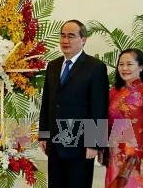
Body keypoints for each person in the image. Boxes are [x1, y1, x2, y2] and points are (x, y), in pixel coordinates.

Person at [38, 19, 109, 188]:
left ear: (83, 40)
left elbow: (98, 106)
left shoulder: (95, 67)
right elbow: (47, 102)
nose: (65, 40)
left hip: (80, 145)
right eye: (62, 35)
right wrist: (44, 134)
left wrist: (94, 142)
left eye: (71, 36)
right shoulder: (53, 66)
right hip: (55, 143)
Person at [105, 48, 143, 188]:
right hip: (115, 154)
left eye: (129, 64)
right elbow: (105, 121)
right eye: (121, 64)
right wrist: (100, 148)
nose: (124, 68)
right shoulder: (114, 92)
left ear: (141, 67)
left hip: (137, 156)